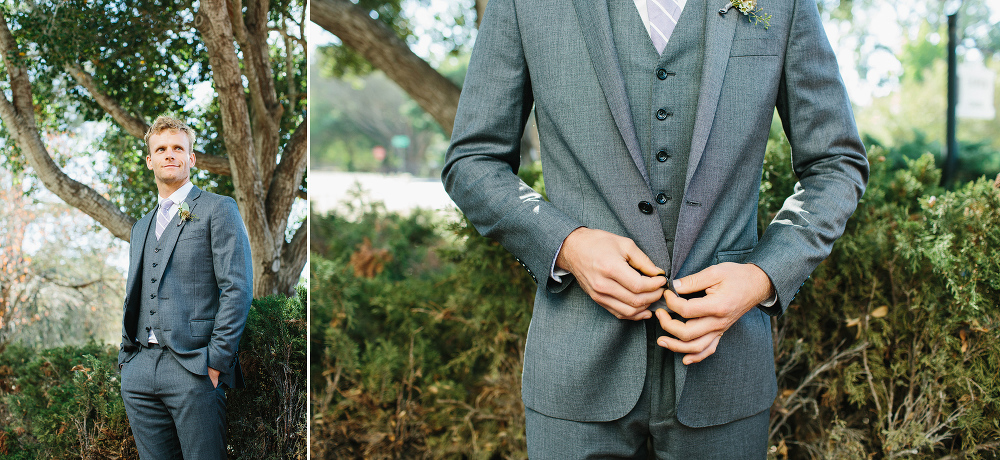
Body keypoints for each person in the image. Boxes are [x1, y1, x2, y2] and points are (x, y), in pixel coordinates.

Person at [442, 0, 869, 457]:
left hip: (725, 371)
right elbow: (473, 162)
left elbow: (835, 164)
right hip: (575, 367)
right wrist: (567, 245)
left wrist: (762, 276)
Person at [118, 116, 253, 459]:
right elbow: (135, 293)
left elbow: (236, 288)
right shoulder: (141, 227)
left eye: (178, 148)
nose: (170, 154)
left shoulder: (218, 209)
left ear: (191, 158)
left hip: (194, 368)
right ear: (150, 160)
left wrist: (215, 362)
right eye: (161, 149)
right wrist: (126, 360)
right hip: (139, 371)